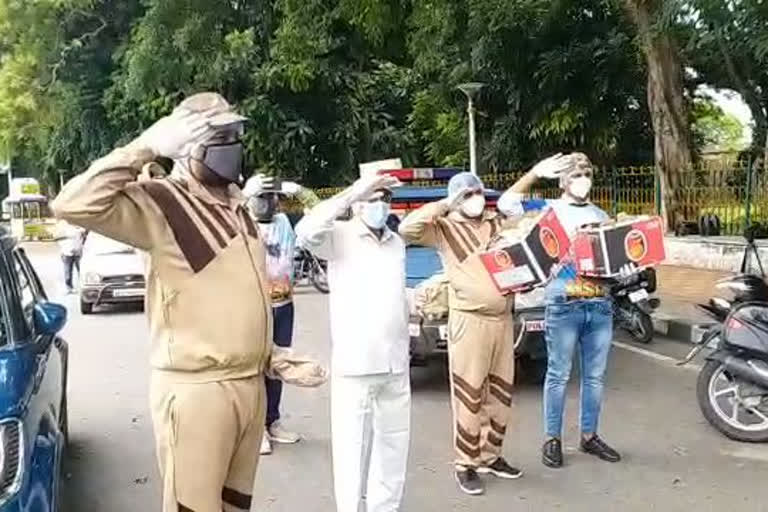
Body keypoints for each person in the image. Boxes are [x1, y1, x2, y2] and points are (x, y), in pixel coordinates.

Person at [51, 92, 299, 512]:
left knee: (235, 505)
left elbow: (235, 298)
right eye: (218, 135)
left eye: (235, 133)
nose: (232, 144)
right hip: (197, 388)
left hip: (248, 385)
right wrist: (145, 146)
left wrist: (272, 355)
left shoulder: (239, 208)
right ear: (185, 144)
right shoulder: (162, 203)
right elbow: (71, 203)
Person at [399, 171, 524, 496]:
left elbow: (518, 214)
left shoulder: (495, 224)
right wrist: (445, 204)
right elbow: (407, 228)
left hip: (502, 319)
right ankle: (465, 464)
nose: (475, 199)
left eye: (478, 192)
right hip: (469, 322)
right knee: (469, 395)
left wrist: (535, 175)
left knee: (501, 394)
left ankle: (491, 455)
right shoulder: (443, 229)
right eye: (467, 194)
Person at [499, 152, 625, 469]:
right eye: (575, 174)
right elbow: (506, 205)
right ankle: (552, 439)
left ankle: (589, 436)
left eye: (586, 173)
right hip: (563, 304)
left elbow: (614, 260)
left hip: (599, 305)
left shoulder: (601, 214)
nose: (582, 179)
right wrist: (533, 172)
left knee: (594, 377)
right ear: (562, 180)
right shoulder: (547, 210)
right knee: (558, 374)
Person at [296, 172, 411, 512]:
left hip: (395, 362)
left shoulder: (396, 242)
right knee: (351, 448)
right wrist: (352, 192)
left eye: (384, 198)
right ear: (359, 201)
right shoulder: (338, 237)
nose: (379, 205)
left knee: (393, 445)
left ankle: (385, 508)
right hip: (356, 363)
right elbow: (305, 231)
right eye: (372, 197)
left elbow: (392, 292)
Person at [243, 173, 320, 455]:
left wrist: (297, 190)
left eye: (271, 197)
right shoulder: (241, 223)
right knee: (254, 368)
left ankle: (272, 421)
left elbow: (318, 212)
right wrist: (243, 194)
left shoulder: (285, 222)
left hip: (283, 305)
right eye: (261, 197)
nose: (268, 202)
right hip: (253, 307)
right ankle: (256, 429)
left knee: (279, 366)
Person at [55, 219, 86, 293]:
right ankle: (69, 288)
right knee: (68, 272)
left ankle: (83, 287)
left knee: (81, 271)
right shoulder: (63, 226)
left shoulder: (80, 227)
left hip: (77, 253)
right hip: (67, 252)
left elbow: (84, 235)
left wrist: (80, 247)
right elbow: (57, 237)